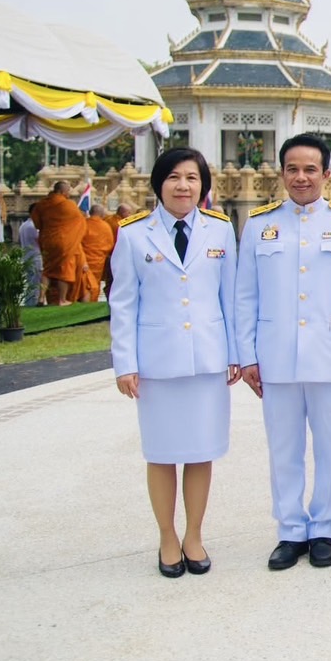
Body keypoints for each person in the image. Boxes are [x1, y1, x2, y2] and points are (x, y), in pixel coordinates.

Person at [236, 134, 331, 571]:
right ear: (281, 173)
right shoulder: (259, 224)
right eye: (292, 169)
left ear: (326, 174)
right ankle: (290, 529)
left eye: (310, 169)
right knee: (284, 447)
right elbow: (245, 295)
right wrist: (247, 356)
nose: (301, 177)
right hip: (276, 353)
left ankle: (325, 529)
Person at [108, 148, 241, 577]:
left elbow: (231, 298)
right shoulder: (133, 234)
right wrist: (124, 363)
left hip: (207, 360)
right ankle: (167, 536)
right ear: (159, 183)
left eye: (192, 178)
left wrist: (236, 355)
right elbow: (123, 303)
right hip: (157, 364)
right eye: (174, 177)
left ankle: (194, 535)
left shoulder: (220, 231)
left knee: (202, 452)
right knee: (162, 454)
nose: (183, 186)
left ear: (203, 186)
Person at [30, 181, 87, 306]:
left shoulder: (41, 204)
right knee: (64, 269)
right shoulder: (68, 205)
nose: (68, 195)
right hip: (63, 242)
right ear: (62, 192)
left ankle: (40, 298)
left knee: (47, 270)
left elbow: (37, 224)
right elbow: (81, 223)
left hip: (47, 241)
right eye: (67, 192)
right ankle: (62, 299)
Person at [79, 203, 116, 302]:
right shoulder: (105, 226)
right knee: (93, 284)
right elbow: (110, 245)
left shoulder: (82, 224)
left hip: (82, 260)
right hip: (98, 261)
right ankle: (90, 305)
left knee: (83, 283)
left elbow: (77, 242)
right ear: (102, 214)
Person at [17, 216, 43, 307]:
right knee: (36, 284)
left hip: (26, 257)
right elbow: (40, 241)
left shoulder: (22, 226)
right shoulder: (33, 227)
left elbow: (19, 241)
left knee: (30, 282)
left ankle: (29, 303)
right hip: (35, 257)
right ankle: (33, 303)